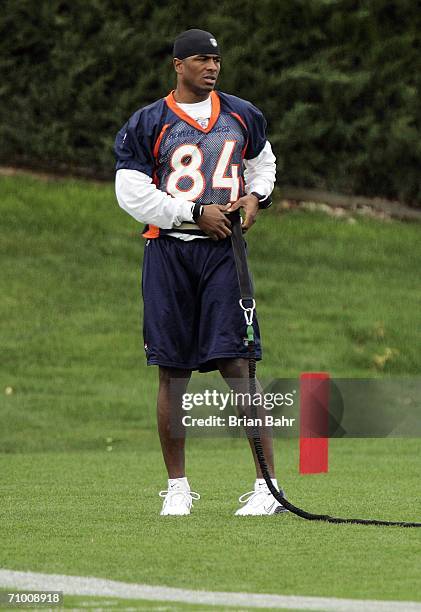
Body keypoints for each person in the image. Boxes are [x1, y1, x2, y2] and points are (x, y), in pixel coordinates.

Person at [114, 28, 286, 516]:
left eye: (216, 60)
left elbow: (262, 163)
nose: (211, 67)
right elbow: (131, 193)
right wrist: (192, 213)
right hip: (170, 251)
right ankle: (178, 488)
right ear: (178, 65)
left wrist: (255, 197)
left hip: (224, 255)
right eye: (200, 60)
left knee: (240, 366)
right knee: (173, 370)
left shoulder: (242, 114)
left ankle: (267, 488)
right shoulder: (148, 121)